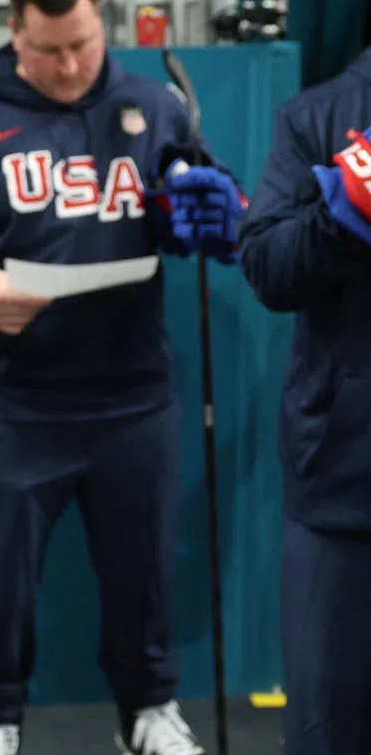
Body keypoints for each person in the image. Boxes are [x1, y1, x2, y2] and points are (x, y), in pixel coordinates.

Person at [0, 0, 244, 755]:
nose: (70, 65)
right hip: (13, 401)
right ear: (15, 31)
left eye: (84, 44)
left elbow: (208, 202)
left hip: (132, 392)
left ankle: (149, 711)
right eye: (50, 48)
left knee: (145, 571)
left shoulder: (153, 106)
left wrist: (207, 206)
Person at [238, 49, 371, 755]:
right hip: (343, 496)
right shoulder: (319, 116)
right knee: (327, 733)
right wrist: (344, 214)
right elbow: (267, 267)